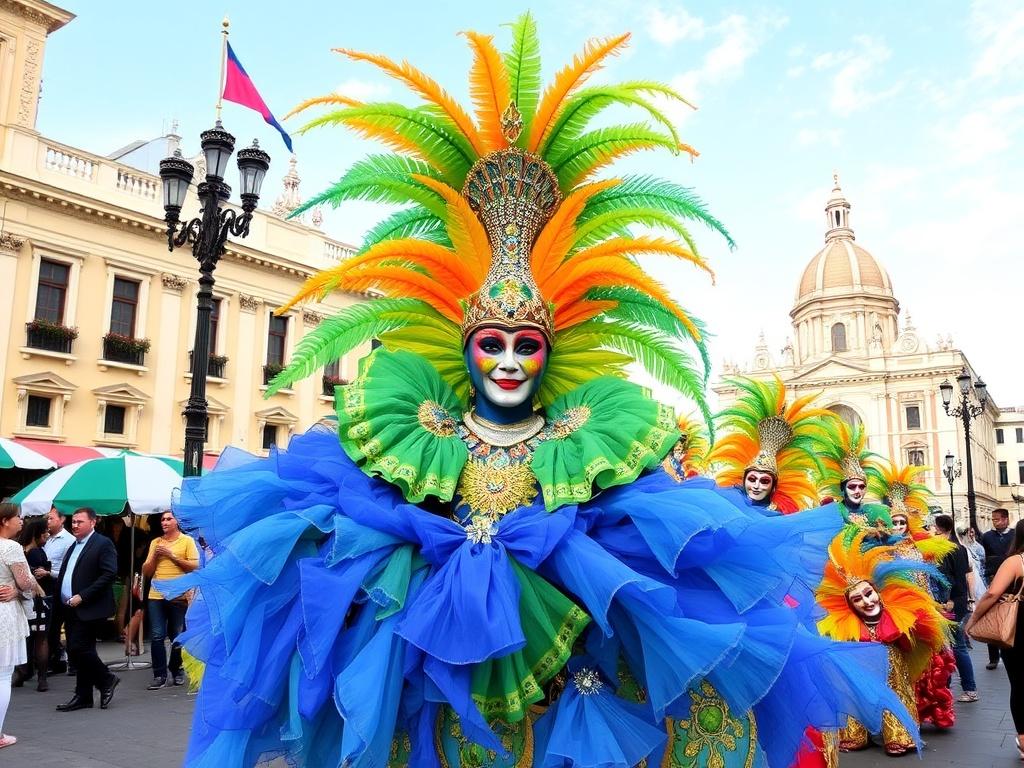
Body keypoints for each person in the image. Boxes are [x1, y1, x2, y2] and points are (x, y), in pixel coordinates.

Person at [163, 17, 919, 768]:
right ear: (466, 350)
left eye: (527, 346)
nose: (509, 362)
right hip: (430, 655)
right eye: (492, 345)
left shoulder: (586, 436)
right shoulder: (420, 429)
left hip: (557, 669)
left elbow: (644, 547)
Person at [817, 532, 949, 757]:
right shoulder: (845, 625)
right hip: (860, 661)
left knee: (896, 690)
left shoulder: (898, 614)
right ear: (849, 605)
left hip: (892, 664)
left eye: (868, 594)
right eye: (857, 599)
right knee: (851, 688)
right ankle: (854, 733)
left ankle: (899, 734)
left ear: (877, 591)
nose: (867, 602)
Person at [966, 519, 1024, 759]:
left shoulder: (1016, 561)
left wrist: (973, 619)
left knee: (1020, 686)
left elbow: (992, 593)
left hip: (1018, 629)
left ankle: (1023, 740)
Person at [52, 507, 119, 712]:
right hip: (70, 607)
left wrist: (83, 595)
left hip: (89, 606)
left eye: (80, 522)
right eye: (73, 522)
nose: (75, 525)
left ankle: (107, 679)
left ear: (93, 522)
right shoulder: (74, 545)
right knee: (80, 650)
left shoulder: (102, 543)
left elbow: (109, 574)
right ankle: (83, 695)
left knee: (78, 648)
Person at [0, 503, 45, 749]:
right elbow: (25, 582)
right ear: (5, 520)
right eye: (18, 517)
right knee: (3, 675)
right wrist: (23, 585)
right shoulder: (11, 547)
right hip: (5, 613)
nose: (21, 521)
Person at [142, 509, 198, 689]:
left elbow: (194, 567)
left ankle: (177, 669)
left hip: (178, 595)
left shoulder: (187, 541)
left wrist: (171, 556)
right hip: (156, 595)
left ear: (177, 522)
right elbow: (146, 572)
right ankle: (159, 674)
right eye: (162, 520)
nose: (164, 522)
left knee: (177, 635)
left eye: (168, 519)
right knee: (157, 635)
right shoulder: (155, 543)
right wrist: (156, 557)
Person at [933, 514, 978, 703]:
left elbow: (952, 578)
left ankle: (969, 689)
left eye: (933, 527)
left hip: (950, 603)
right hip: (953, 602)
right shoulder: (956, 548)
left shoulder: (949, 549)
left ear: (939, 529)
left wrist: (951, 599)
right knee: (949, 646)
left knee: (957, 646)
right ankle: (949, 685)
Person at [13, 518, 50, 691]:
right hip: (37, 600)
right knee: (41, 639)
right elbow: (36, 578)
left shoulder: (20, 550)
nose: (47, 536)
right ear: (38, 534)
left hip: (20, 598)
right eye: (45, 533)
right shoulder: (37, 552)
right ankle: (42, 678)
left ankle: (21, 673)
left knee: (24, 638)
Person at [36, 507, 73, 672]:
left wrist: (49, 572)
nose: (47, 522)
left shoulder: (69, 540)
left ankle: (67, 660)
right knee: (50, 627)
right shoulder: (45, 538)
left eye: (51, 518)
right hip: (44, 587)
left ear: (62, 519)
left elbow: (69, 570)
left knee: (59, 624)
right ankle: (55, 659)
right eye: (47, 519)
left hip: (59, 587)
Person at [982, 508, 1014, 669]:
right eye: (993, 520)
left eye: (998, 519)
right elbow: (985, 558)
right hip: (994, 578)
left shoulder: (1014, 535)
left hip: (1013, 582)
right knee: (992, 616)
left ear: (1006, 519)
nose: (995, 522)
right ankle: (993, 657)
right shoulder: (987, 536)